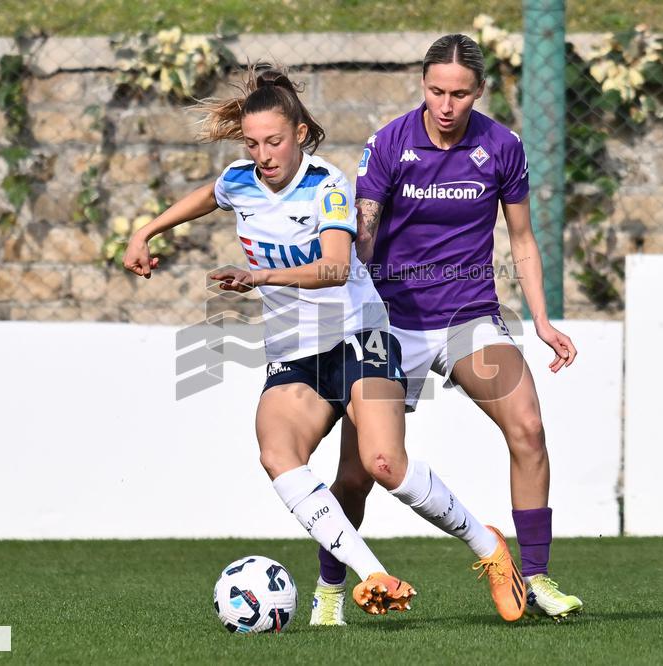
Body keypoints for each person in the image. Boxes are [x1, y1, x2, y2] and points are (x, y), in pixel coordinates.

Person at [122, 67, 527, 621]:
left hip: (362, 336)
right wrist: (145, 232)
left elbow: (336, 267)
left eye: (275, 141)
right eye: (253, 143)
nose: (264, 154)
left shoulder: (327, 186)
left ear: (301, 135)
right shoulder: (240, 180)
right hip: (295, 351)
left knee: (382, 465)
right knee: (277, 454)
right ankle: (372, 575)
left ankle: (491, 550)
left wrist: (259, 277)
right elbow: (207, 196)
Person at [310, 35, 584, 626]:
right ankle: (330, 592)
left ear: (478, 92)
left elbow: (523, 239)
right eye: (436, 90)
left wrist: (540, 319)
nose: (446, 103)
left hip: (468, 316)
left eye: (460, 93)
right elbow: (362, 237)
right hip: (390, 323)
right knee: (358, 473)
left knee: (529, 428)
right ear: (423, 85)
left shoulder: (502, 146)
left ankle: (533, 578)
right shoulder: (388, 144)